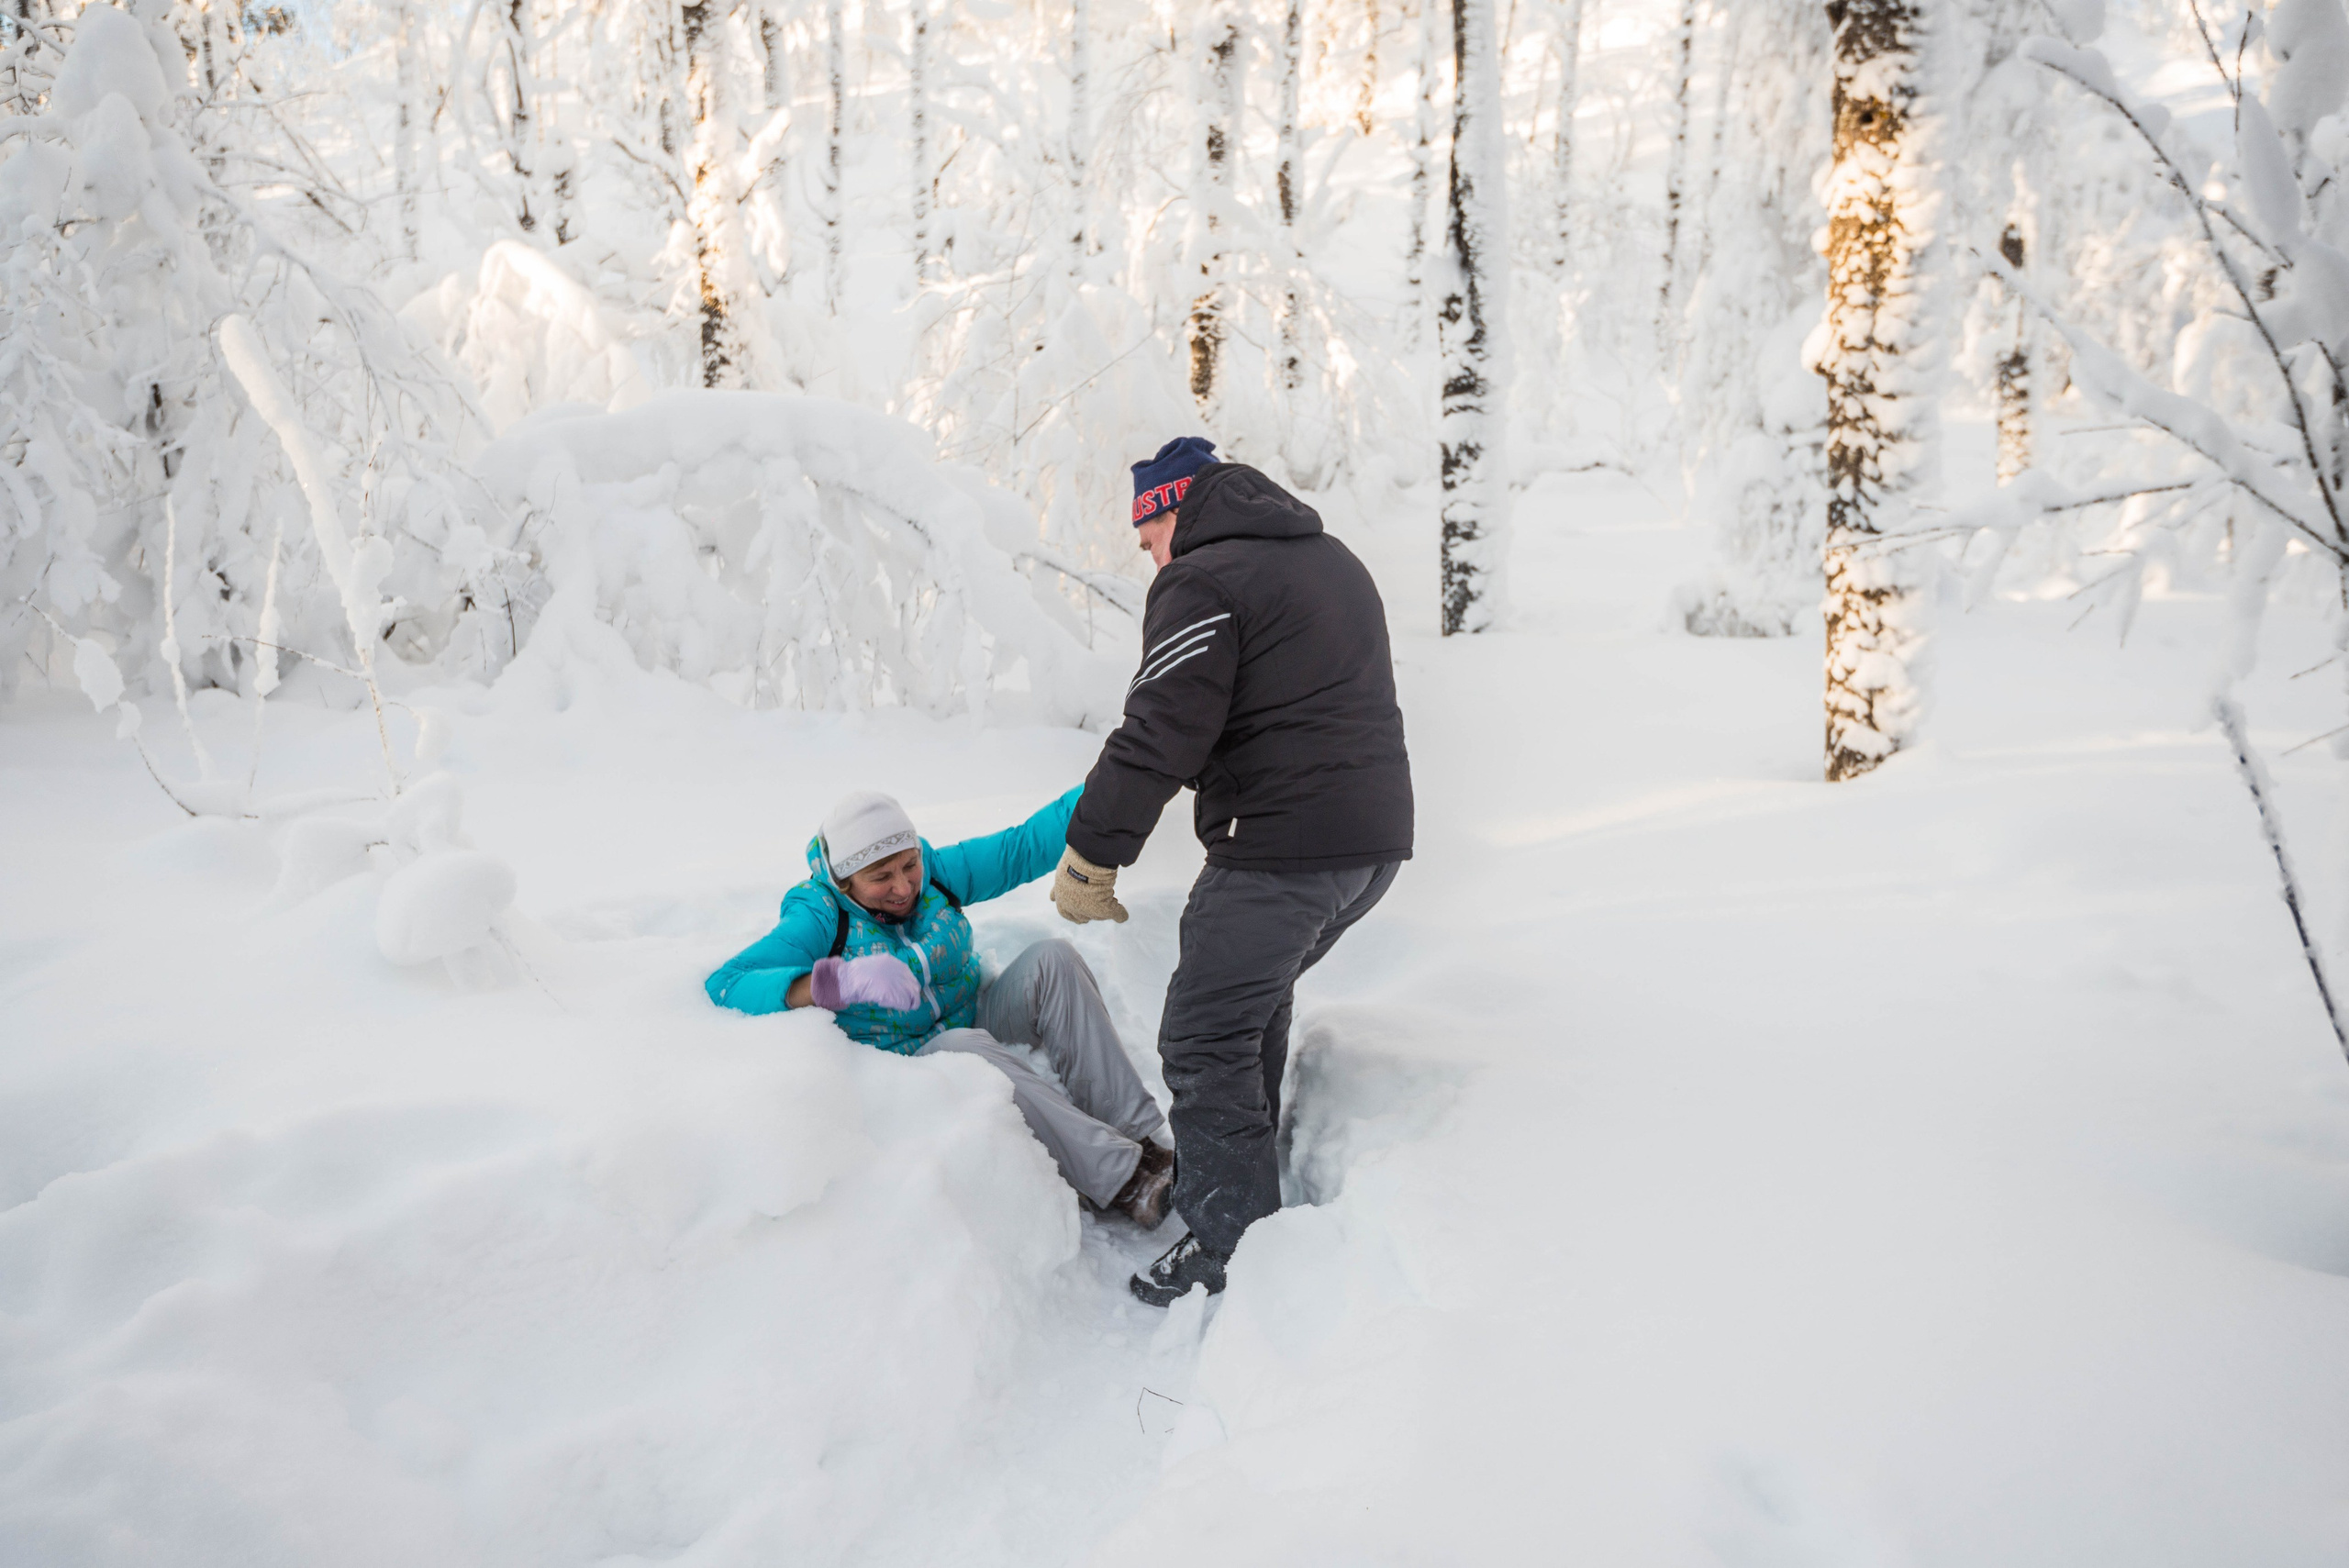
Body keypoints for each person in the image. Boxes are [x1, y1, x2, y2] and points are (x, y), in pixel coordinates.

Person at [1048, 437, 1413, 1307]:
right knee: (1248, 1008)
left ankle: (1230, 1244)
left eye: (1150, 539)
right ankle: (1245, 1180)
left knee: (1203, 1034)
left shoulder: (1205, 579)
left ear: (1173, 508)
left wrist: (1094, 852)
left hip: (1280, 851)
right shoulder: (1329, 558)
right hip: (1370, 851)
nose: (1153, 558)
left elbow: (1161, 728)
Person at [706, 787, 1176, 1227]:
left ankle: (1139, 1136)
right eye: (880, 877)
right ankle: (1119, 1178)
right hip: (907, 1063)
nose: (903, 886)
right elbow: (728, 985)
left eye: (908, 866)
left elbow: (1023, 847)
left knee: (1053, 959)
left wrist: (1120, 780)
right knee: (963, 1045)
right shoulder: (819, 915)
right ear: (844, 882)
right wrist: (839, 981)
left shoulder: (934, 875)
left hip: (971, 1018)